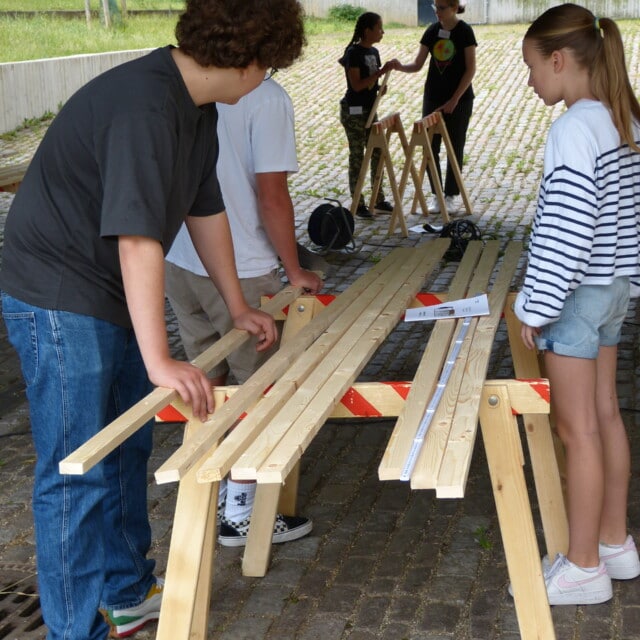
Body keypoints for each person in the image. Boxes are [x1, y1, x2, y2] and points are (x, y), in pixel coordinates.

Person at [0, 0, 306, 638]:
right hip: (57, 291)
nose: (269, 77)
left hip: (104, 289)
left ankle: (126, 590)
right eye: (272, 64)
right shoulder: (144, 106)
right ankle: (74, 629)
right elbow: (139, 239)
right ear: (250, 62)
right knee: (78, 462)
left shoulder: (195, 109)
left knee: (127, 442)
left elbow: (206, 209)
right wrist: (159, 357)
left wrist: (239, 304)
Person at [515, 3, 640, 606]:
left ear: (560, 60)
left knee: (577, 431)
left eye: (533, 68)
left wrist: (535, 308)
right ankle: (615, 544)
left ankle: (583, 565)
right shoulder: (623, 119)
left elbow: (567, 227)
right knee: (607, 417)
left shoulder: (572, 129)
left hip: (574, 299)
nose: (531, 80)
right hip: (613, 291)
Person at [165, 76, 323, 547]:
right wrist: (293, 267)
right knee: (259, 389)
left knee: (206, 381)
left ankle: (211, 490)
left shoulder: (191, 82)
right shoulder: (267, 98)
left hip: (181, 257)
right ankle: (241, 512)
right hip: (241, 266)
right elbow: (271, 194)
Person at [389, 0, 476, 215]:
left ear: (454, 8)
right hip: (433, 98)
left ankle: (451, 195)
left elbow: (471, 69)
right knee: (429, 148)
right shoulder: (432, 30)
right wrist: (400, 67)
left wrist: (455, 99)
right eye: (435, 7)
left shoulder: (465, 31)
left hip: (460, 100)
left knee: (455, 146)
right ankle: (437, 195)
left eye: (442, 8)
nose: (437, 12)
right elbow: (417, 64)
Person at [338, 11, 394, 219]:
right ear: (367, 30)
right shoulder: (353, 53)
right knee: (358, 156)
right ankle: (358, 202)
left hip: (371, 110)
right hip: (354, 112)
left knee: (378, 152)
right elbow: (357, 85)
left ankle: (378, 199)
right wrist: (379, 74)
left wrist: (379, 87)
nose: (382, 32)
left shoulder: (374, 52)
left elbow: (371, 83)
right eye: (379, 28)